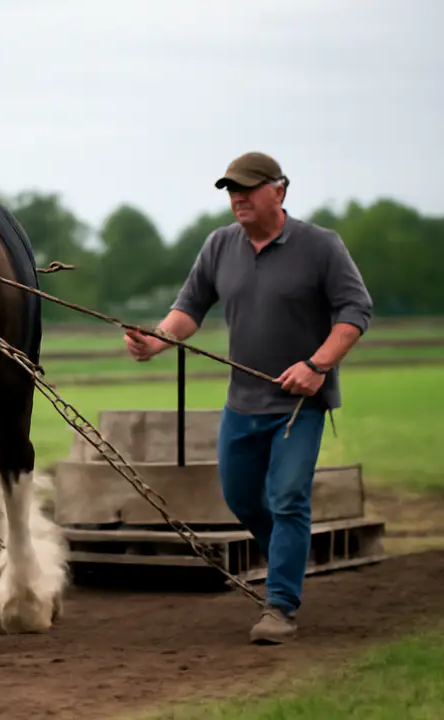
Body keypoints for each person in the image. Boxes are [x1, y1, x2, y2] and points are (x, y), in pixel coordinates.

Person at [123, 151, 373, 644]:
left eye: (247, 188)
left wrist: (317, 366)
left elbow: (355, 309)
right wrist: (155, 341)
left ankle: (279, 607)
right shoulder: (219, 246)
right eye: (230, 189)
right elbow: (189, 307)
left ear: (278, 191)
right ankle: (290, 555)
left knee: (287, 498)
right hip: (242, 404)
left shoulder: (320, 246)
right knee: (241, 498)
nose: (237, 197)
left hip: (299, 405)